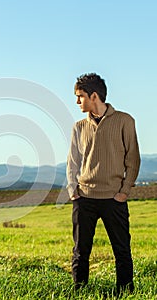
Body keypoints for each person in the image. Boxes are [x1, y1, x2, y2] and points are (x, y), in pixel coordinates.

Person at [66, 73, 140, 294]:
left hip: (114, 198)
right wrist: (73, 190)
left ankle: (125, 292)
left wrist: (124, 192)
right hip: (84, 198)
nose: (77, 101)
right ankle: (79, 291)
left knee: (122, 250)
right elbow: (72, 162)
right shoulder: (78, 127)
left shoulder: (125, 121)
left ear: (94, 95)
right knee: (80, 251)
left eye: (80, 96)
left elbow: (133, 159)